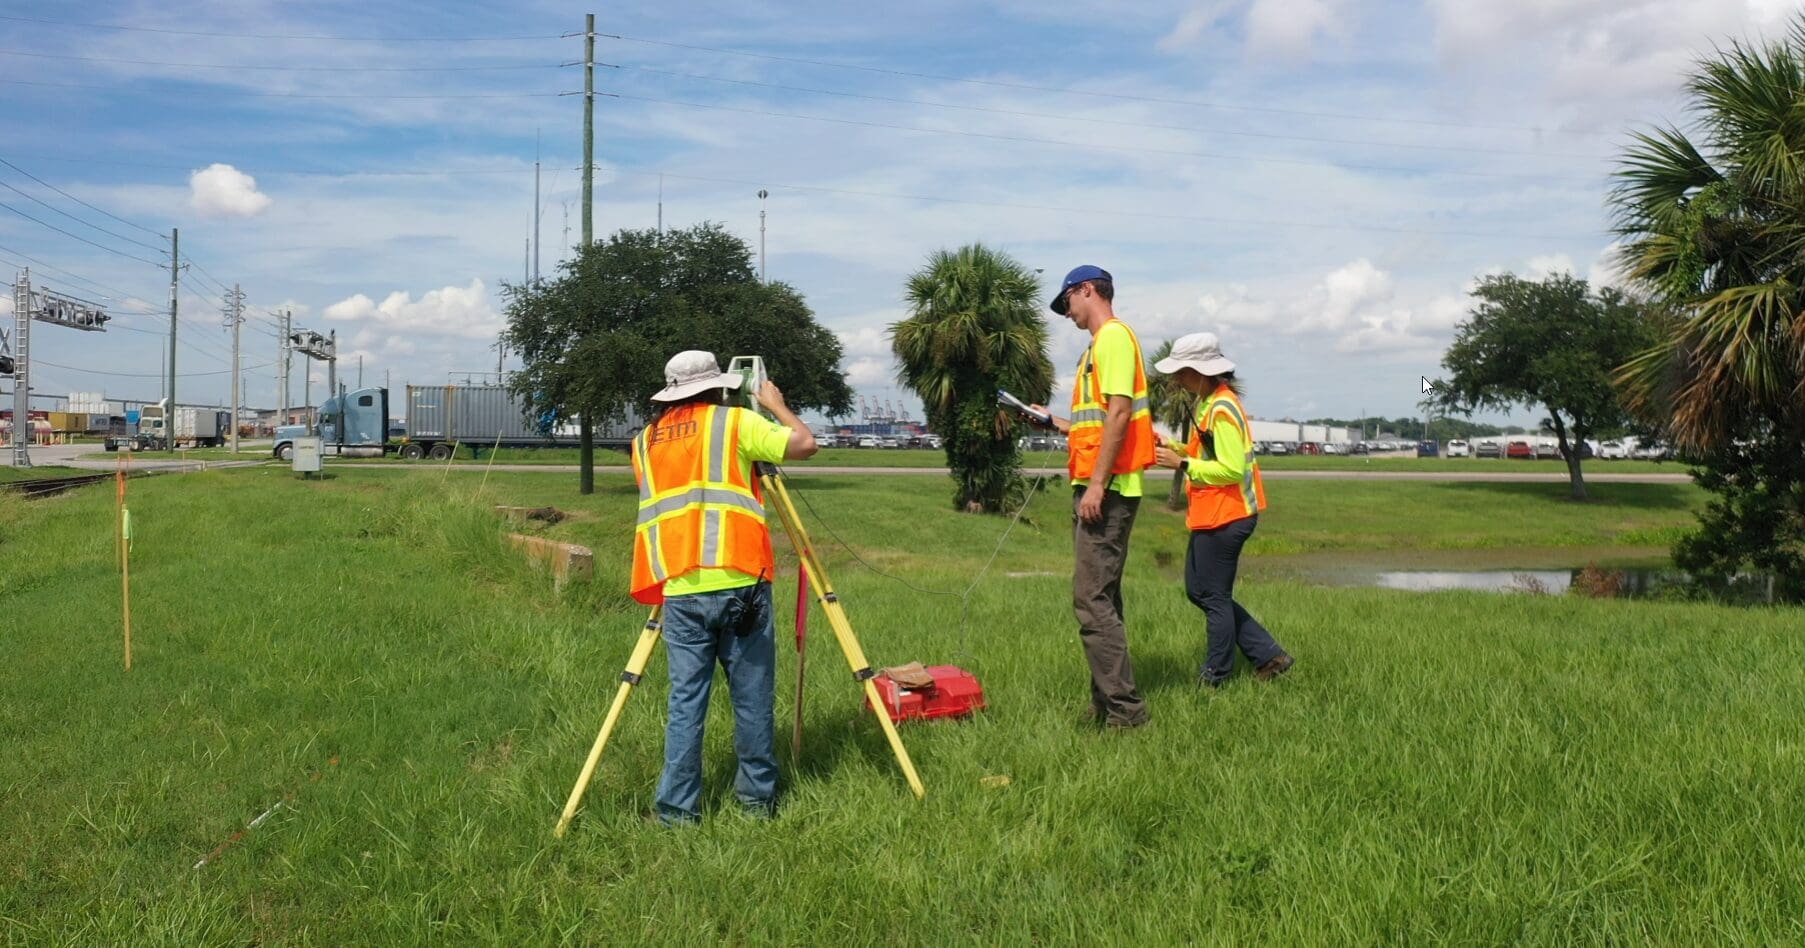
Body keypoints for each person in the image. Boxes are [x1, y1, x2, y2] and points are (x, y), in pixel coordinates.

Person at [629, 350, 819, 824]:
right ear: (719, 385)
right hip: (740, 580)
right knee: (751, 699)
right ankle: (757, 805)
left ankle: (675, 812)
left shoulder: (644, 442)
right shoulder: (735, 424)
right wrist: (774, 404)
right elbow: (804, 444)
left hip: (679, 585)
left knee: (685, 703)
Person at [1031, 265, 1157, 728]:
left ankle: (1126, 714)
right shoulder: (1096, 348)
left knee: (1090, 601)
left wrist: (1099, 484)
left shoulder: (1114, 339)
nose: (1065, 313)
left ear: (1087, 290)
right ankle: (1106, 705)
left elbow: (1120, 414)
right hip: (1100, 484)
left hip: (1110, 487)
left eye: (1066, 302)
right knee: (1101, 598)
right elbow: (1096, 422)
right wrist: (1051, 423)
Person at [1150, 332, 1293, 687]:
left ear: (1200, 370)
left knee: (1213, 596)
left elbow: (1231, 469)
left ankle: (1215, 676)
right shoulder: (1207, 402)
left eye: (1181, 371)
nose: (1177, 378)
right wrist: (1172, 447)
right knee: (1199, 591)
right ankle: (1268, 655)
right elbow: (1205, 453)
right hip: (1211, 513)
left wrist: (1182, 466)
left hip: (1229, 515)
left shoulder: (1222, 408)